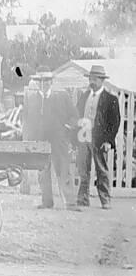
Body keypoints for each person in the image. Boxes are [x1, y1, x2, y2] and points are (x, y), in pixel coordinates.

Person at [75, 64, 119, 210]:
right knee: (83, 169)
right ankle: (83, 199)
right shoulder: (84, 96)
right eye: (90, 79)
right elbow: (77, 114)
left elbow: (114, 122)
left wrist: (108, 140)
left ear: (102, 80)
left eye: (94, 79)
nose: (91, 82)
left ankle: (105, 200)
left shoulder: (110, 98)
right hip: (84, 137)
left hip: (100, 140)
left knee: (102, 169)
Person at [36, 77, 79, 210]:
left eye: (46, 81)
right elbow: (28, 119)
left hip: (60, 141)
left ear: (51, 82)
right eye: (40, 81)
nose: (43, 84)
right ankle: (47, 202)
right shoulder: (34, 99)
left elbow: (74, 115)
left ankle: (70, 203)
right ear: (37, 83)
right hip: (41, 141)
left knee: (64, 170)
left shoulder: (62, 96)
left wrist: (67, 127)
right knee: (43, 171)